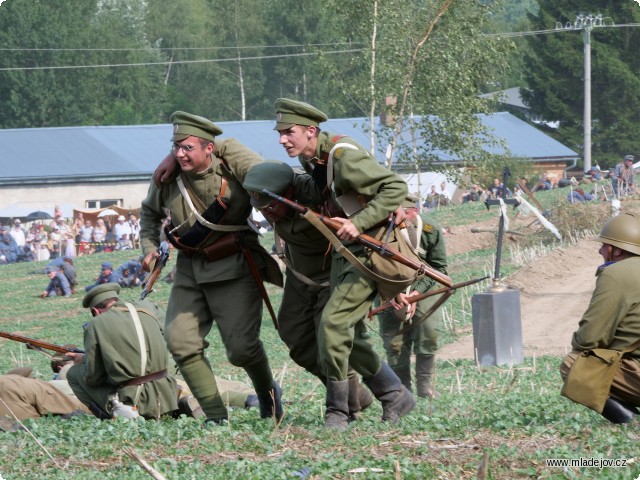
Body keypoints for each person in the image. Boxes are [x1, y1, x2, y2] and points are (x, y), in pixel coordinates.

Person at [273, 98, 415, 429]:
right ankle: (395, 394)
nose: (282, 139)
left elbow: (394, 186)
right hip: (345, 253)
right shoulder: (315, 159)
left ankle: (338, 411)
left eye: (289, 132)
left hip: (370, 253)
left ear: (311, 131)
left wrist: (361, 220)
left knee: (333, 325)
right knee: (351, 332)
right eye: (279, 133)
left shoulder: (342, 155)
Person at [142, 111, 284, 425]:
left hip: (235, 266)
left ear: (209, 148)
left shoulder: (230, 169)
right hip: (190, 269)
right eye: (175, 147)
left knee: (242, 350)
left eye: (187, 147)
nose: (180, 154)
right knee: (181, 343)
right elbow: (149, 215)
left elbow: (263, 172)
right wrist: (150, 248)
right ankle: (215, 416)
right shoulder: (168, 178)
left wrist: (225, 148)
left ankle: (268, 396)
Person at [241, 161, 373, 421]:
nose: (267, 214)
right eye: (261, 208)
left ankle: (346, 408)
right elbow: (234, 155)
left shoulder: (318, 193)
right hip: (300, 277)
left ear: (288, 194)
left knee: (330, 339)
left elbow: (374, 190)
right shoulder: (268, 189)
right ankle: (355, 394)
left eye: (270, 206)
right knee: (295, 337)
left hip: (333, 278)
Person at [560, 213, 640, 424]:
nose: (600, 250)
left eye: (605, 245)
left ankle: (629, 421)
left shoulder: (616, 274)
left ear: (618, 249)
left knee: (574, 364)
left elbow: (589, 339)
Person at [378, 195, 448, 398]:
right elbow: (372, 264)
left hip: (423, 286)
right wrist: (392, 293)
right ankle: (403, 391)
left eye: (401, 213)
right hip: (388, 288)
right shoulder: (380, 229)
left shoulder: (430, 229)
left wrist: (417, 294)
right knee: (394, 342)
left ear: (414, 212)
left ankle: (425, 388)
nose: (394, 218)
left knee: (428, 332)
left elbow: (439, 267)